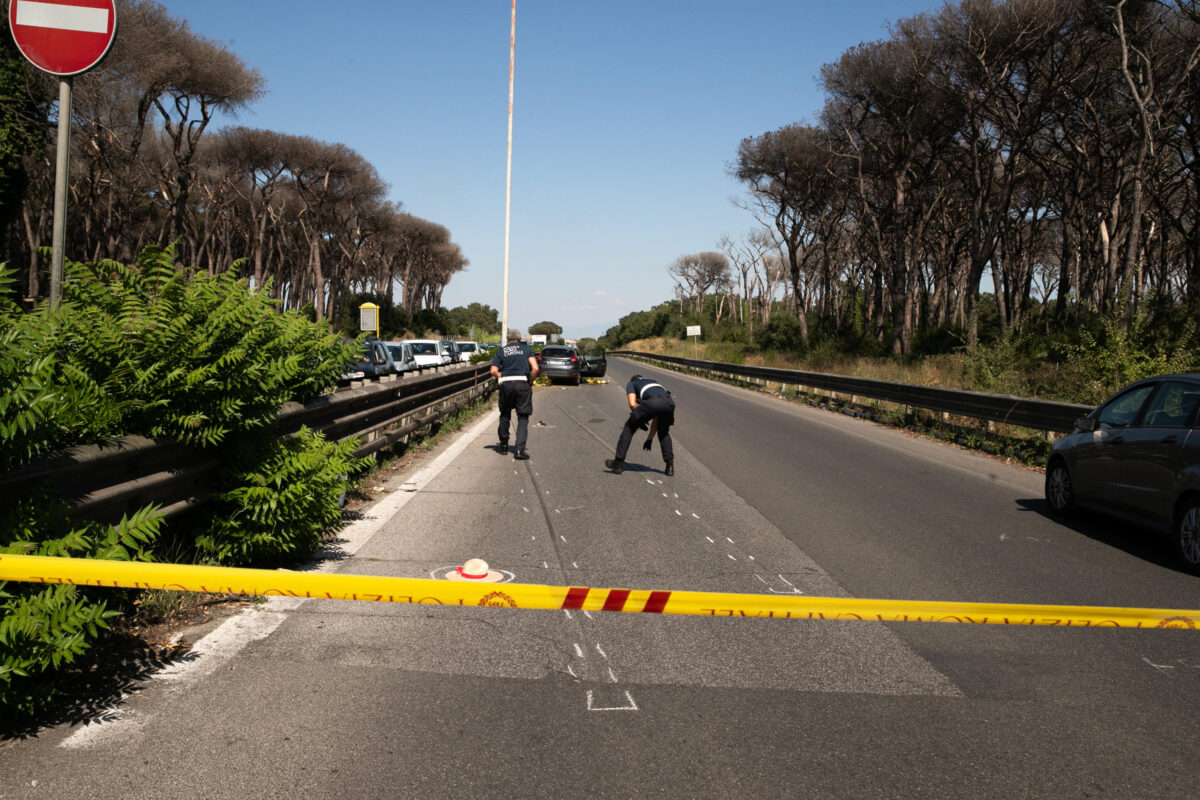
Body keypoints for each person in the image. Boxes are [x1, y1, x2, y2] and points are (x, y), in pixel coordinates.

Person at [605, 374, 676, 475]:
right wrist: (649, 439)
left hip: (653, 401)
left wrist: (638, 419)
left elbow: (632, 404)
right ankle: (670, 467)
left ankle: (618, 463)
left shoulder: (632, 383)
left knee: (629, 427)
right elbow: (656, 418)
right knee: (663, 432)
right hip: (669, 403)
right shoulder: (653, 381)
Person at [489, 329, 539, 459]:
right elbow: (535, 368)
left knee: (505, 415)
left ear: (507, 339)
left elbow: (493, 371)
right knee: (523, 417)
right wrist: (531, 380)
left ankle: (504, 446)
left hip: (506, 385)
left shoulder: (501, 351)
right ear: (520, 339)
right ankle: (519, 451)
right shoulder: (526, 350)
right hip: (522, 384)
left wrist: (503, 376)